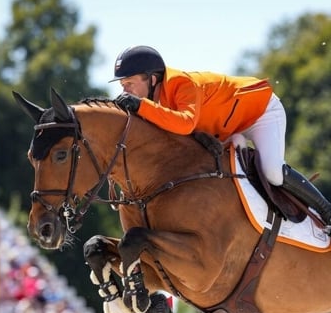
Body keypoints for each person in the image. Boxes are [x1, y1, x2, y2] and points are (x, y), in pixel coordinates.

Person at [111, 45, 331, 233]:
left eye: (129, 83)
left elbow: (185, 123)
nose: (125, 89)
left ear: (152, 78)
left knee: (272, 172)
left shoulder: (181, 83)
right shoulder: (153, 101)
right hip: (228, 130)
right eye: (123, 85)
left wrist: (141, 106)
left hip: (261, 113)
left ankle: (326, 212)